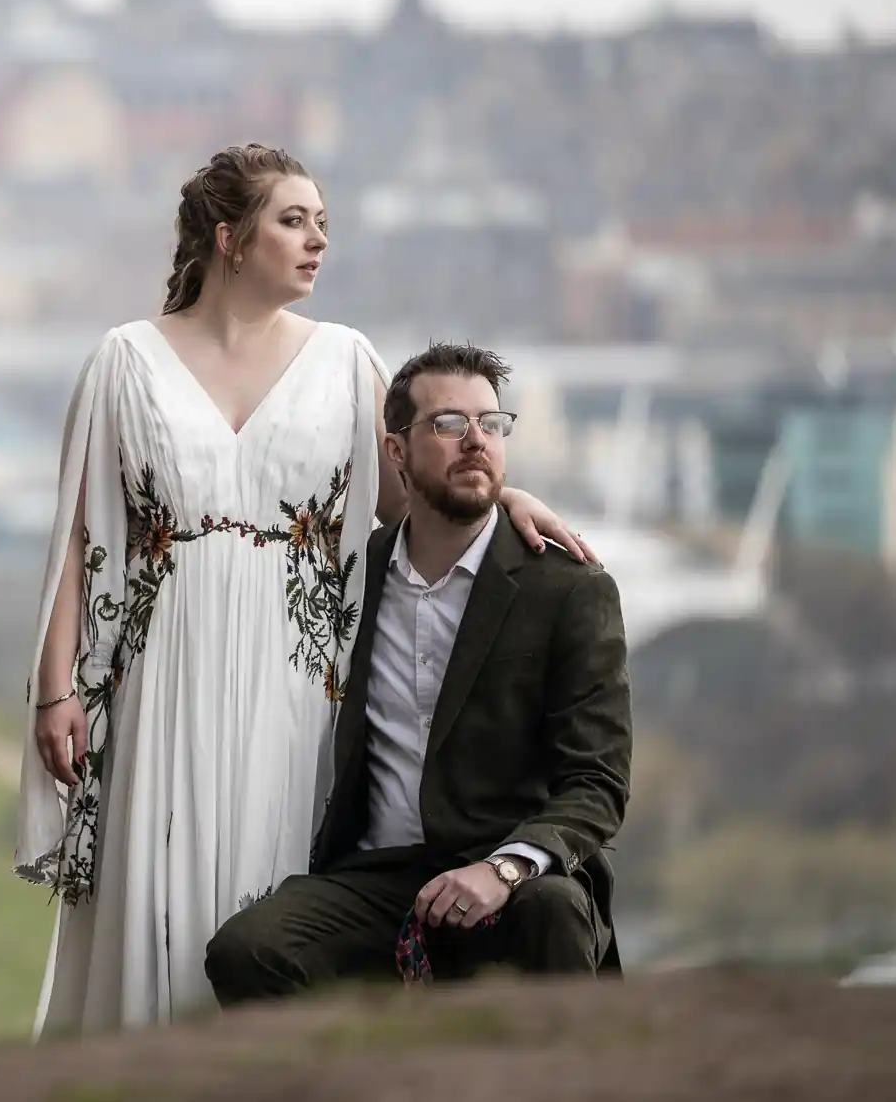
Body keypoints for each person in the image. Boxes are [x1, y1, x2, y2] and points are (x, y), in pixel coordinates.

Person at [13, 145, 595, 1037]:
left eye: (323, 222)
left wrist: (503, 491)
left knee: (273, 887)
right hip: (164, 669)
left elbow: (414, 497)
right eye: (295, 220)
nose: (319, 239)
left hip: (301, 682)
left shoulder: (346, 360)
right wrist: (56, 690)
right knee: (155, 892)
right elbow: (81, 534)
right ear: (228, 237)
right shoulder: (123, 361)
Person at [203, 342, 630, 1004]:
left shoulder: (569, 588)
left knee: (554, 913)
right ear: (396, 451)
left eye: (491, 424)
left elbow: (598, 781)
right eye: (449, 425)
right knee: (247, 950)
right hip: (379, 872)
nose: (476, 441)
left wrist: (505, 866)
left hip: (514, 871)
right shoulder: (351, 575)